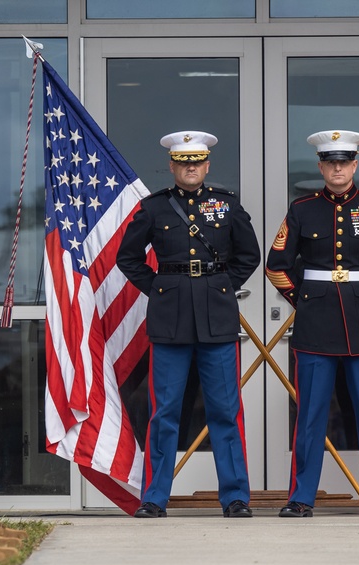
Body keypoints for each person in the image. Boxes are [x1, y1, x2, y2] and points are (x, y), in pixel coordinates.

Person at [265, 130, 359, 518]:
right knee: (310, 416)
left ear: (355, 165)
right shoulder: (302, 210)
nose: (337, 168)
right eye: (330, 162)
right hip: (316, 326)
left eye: (344, 162)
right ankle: (300, 498)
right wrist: (305, 302)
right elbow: (276, 266)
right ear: (320, 167)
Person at [116, 131, 261, 519]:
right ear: (173, 166)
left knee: (225, 411)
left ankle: (235, 497)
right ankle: (154, 498)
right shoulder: (154, 208)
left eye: (197, 161)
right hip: (171, 318)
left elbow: (250, 254)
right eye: (183, 162)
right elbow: (127, 258)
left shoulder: (226, 204)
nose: (191, 167)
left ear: (207, 165)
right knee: (164, 412)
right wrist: (160, 288)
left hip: (216, 318)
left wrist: (223, 287)